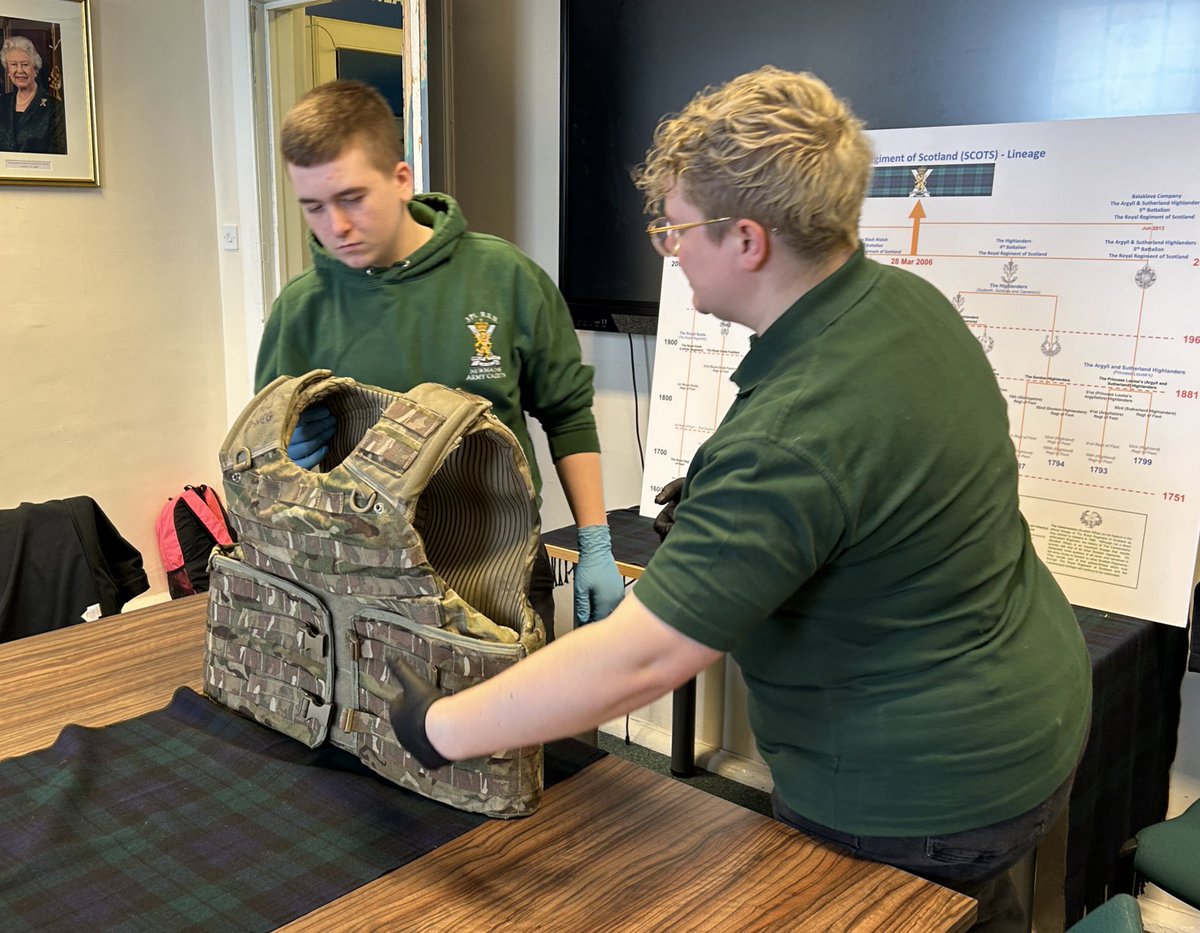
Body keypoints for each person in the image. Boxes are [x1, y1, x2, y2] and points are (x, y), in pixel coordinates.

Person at [386, 67, 1092, 932]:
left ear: (748, 239)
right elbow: (881, 493)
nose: (670, 248)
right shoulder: (904, 306)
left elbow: (644, 660)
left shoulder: (790, 434)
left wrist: (442, 727)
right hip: (1030, 714)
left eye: (676, 227)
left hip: (916, 793)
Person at [255, 80, 623, 636]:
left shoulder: (505, 279)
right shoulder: (301, 311)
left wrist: (595, 542)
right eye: (314, 207)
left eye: (352, 198)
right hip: (355, 589)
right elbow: (264, 467)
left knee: (519, 725)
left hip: (497, 576)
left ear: (401, 179)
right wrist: (292, 459)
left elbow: (567, 415)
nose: (337, 227)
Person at [0, 36, 66, 154]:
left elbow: (59, 154)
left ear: (35, 69)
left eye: (25, 64)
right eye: (14, 64)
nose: (20, 70)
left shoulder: (54, 107)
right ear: (8, 70)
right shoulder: (1, 103)